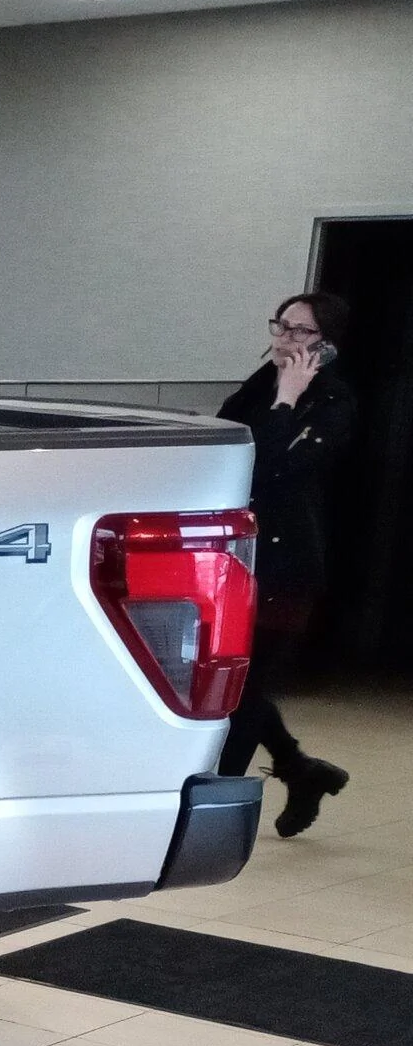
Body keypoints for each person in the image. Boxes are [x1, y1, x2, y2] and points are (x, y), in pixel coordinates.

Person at [216, 291, 356, 836]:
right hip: (234, 556)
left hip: (287, 564)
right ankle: (300, 771)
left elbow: (274, 469)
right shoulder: (255, 389)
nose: (285, 339)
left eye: (301, 332)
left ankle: (222, 813)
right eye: (282, 326)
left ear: (327, 346)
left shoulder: (334, 401)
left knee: (246, 691)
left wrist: (287, 400)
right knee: (231, 684)